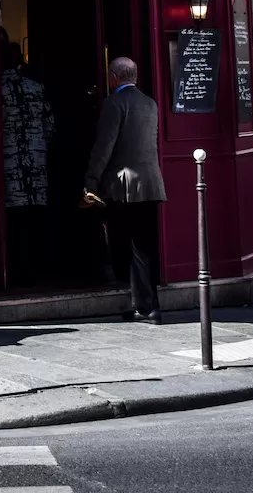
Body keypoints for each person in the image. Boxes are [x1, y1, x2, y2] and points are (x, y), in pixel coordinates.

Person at [83, 57, 167, 323]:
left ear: (114, 78)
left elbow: (103, 147)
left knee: (131, 246)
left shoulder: (114, 103)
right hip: (151, 182)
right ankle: (147, 304)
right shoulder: (150, 103)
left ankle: (146, 307)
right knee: (144, 246)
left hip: (125, 185)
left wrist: (90, 180)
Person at [0, 42, 54, 287]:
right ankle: (39, 268)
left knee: (15, 220)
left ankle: (17, 271)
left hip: (9, 161)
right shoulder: (37, 87)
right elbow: (50, 125)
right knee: (36, 216)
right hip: (37, 159)